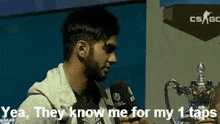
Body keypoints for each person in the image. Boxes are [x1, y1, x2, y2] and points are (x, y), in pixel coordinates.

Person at [15, 7, 151, 124]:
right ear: (81, 49)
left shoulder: (106, 104)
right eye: (108, 49)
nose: (113, 59)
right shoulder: (38, 109)